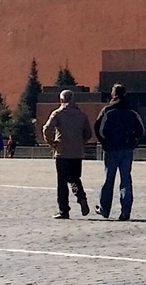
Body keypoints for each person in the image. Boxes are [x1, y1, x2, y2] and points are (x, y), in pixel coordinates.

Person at [94, 83, 145, 221]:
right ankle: (125, 211)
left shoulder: (107, 110)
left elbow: (98, 129)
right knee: (126, 180)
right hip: (127, 149)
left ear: (113, 94)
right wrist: (133, 139)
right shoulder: (132, 111)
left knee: (108, 179)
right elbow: (141, 131)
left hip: (111, 149)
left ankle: (105, 209)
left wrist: (105, 142)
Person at [42, 90, 93, 219]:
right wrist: (80, 143)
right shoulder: (81, 114)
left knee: (62, 182)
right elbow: (88, 133)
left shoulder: (58, 113)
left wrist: (52, 143)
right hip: (77, 153)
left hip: (62, 152)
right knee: (75, 178)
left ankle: (64, 210)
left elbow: (47, 129)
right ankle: (81, 197)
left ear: (61, 100)